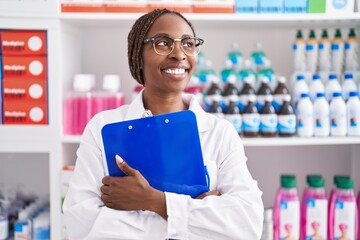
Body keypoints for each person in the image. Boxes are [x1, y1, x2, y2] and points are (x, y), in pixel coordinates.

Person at [63, 8, 264, 240]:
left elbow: (247, 224)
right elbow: (80, 224)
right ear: (138, 57)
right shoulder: (103, 127)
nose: (179, 54)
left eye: (188, 44)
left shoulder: (220, 133)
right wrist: (192, 217)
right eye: (163, 43)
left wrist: (153, 201)